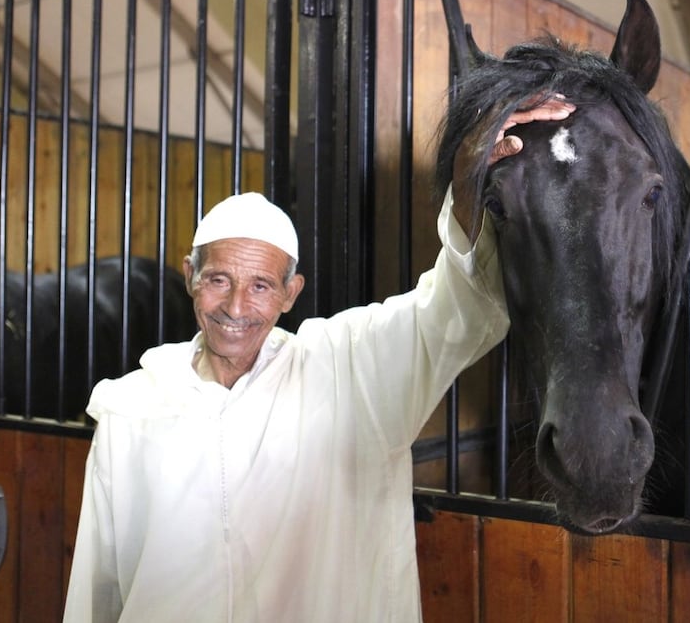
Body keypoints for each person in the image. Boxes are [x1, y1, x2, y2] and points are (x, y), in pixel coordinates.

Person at [62, 96, 575, 622]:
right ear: (190, 274)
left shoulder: (348, 370)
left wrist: (467, 188)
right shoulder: (131, 408)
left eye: (261, 286)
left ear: (290, 293)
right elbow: (98, 584)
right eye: (218, 280)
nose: (236, 307)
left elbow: (452, 311)